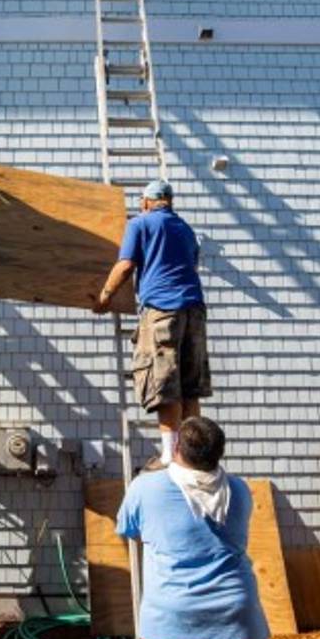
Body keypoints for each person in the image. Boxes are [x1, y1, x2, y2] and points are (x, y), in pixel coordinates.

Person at [116, 416, 270, 639]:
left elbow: (130, 530)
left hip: (174, 624)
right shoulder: (239, 490)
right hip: (240, 621)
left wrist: (156, 471)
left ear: (176, 448)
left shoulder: (146, 488)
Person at [93, 179, 209, 469]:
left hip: (162, 310)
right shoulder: (186, 230)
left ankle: (170, 456)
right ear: (170, 201)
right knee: (189, 386)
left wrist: (104, 298)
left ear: (146, 202)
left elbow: (126, 265)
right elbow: (190, 266)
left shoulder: (140, 224)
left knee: (164, 381)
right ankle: (193, 454)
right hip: (194, 310)